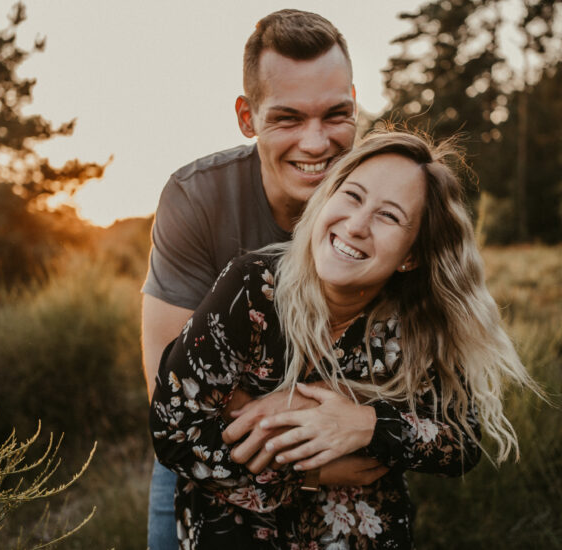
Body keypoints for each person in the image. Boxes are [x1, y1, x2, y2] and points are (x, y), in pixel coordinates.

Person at [151, 130, 540, 549]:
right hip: (237, 533)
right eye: (352, 196)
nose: (356, 226)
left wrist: (366, 424)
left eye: (389, 216)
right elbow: (172, 433)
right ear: (326, 200)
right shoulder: (252, 289)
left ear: (411, 255)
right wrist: (310, 471)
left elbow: (461, 444)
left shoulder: (416, 322)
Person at [142, 10, 384, 549]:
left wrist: (362, 426)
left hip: (354, 478)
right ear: (247, 117)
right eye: (289, 118)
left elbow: (419, 377)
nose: (317, 143)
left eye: (336, 114)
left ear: (354, 101)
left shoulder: (388, 203)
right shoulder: (195, 197)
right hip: (216, 465)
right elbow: (169, 387)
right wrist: (313, 462)